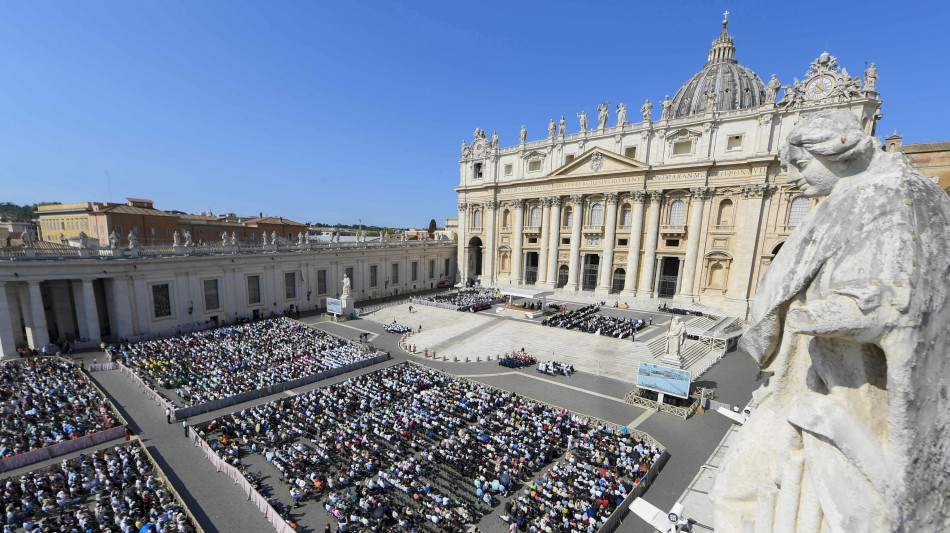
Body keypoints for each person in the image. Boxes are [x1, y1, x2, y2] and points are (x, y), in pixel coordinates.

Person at [712, 110, 950, 532]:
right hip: (816, 372)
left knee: (743, 496)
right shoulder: (880, 194)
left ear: (838, 148)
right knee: (740, 494)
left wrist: (804, 314)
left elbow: (892, 298)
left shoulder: (889, 196)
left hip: (839, 386)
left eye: (800, 165)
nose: (790, 180)